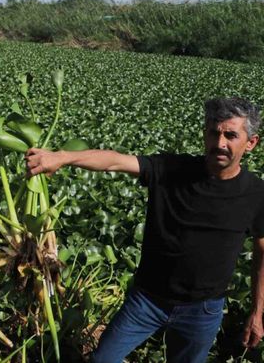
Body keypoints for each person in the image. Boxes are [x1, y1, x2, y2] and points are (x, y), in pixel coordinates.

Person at [25, 97, 264, 362]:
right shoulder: (172, 169)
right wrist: (62, 157)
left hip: (203, 310)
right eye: (213, 133)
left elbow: (262, 251)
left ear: (251, 143)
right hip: (147, 301)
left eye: (231, 135)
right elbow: (115, 161)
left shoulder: (256, 194)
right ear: (205, 134)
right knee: (103, 359)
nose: (220, 143)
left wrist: (257, 311)